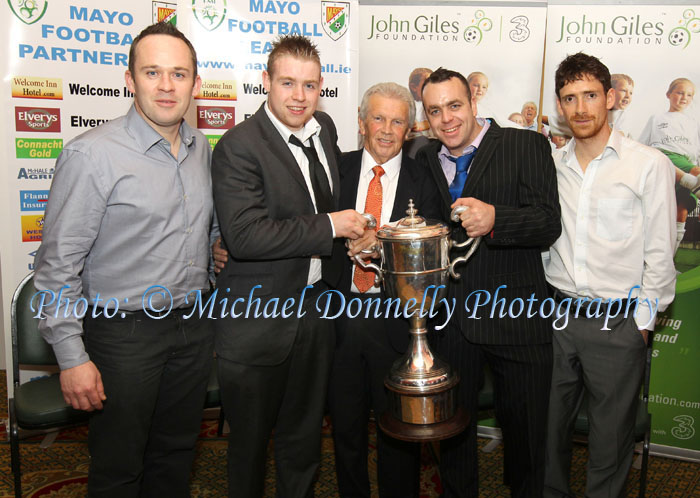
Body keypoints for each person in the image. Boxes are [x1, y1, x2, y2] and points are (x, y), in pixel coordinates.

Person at [33, 22, 216, 497]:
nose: (166, 85)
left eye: (179, 74)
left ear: (196, 85)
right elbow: (56, 269)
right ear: (130, 80)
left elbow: (209, 235)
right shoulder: (91, 156)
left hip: (192, 330)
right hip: (122, 336)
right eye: (152, 72)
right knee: (118, 468)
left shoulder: (204, 152)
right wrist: (72, 358)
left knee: (175, 458)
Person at [210, 35, 367, 498]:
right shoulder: (239, 146)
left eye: (310, 85)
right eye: (288, 83)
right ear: (265, 82)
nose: (300, 96)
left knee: (303, 444)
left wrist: (356, 238)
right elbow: (244, 236)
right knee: (250, 451)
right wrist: (331, 227)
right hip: (257, 322)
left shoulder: (326, 128)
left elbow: (327, 202)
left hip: (316, 313)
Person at [416, 68, 561, 498]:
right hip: (452, 324)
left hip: (516, 319)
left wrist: (497, 218)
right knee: (455, 439)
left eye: (455, 106)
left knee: (527, 442)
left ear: (474, 103)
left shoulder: (525, 144)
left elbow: (548, 222)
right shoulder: (422, 157)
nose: (447, 119)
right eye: (435, 110)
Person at [544, 52, 676, 498]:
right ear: (560, 107)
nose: (580, 108)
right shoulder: (551, 166)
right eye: (569, 98)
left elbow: (661, 252)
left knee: (610, 445)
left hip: (618, 323)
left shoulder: (647, 164)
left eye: (590, 96)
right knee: (549, 438)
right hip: (557, 318)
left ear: (611, 98)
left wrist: (640, 324)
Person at [327, 82, 443, 498]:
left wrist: (386, 245)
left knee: (398, 434)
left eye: (398, 121)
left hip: (395, 323)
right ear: (361, 123)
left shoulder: (425, 180)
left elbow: (432, 249)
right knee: (346, 431)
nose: (387, 129)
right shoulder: (332, 170)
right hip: (338, 319)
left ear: (410, 130)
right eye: (378, 118)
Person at [639, 77, 700, 252]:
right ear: (669, 94)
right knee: (695, 172)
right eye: (680, 93)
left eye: (689, 95)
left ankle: (669, 264)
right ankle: (691, 181)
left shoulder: (693, 123)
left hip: (686, 162)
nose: (684, 98)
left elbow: (695, 150)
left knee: (681, 212)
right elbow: (643, 144)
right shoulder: (657, 118)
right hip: (665, 157)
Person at [404, 67, 433, 157]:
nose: (431, 87)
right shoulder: (406, 103)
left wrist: (421, 125)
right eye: (427, 83)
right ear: (414, 87)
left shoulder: (431, 103)